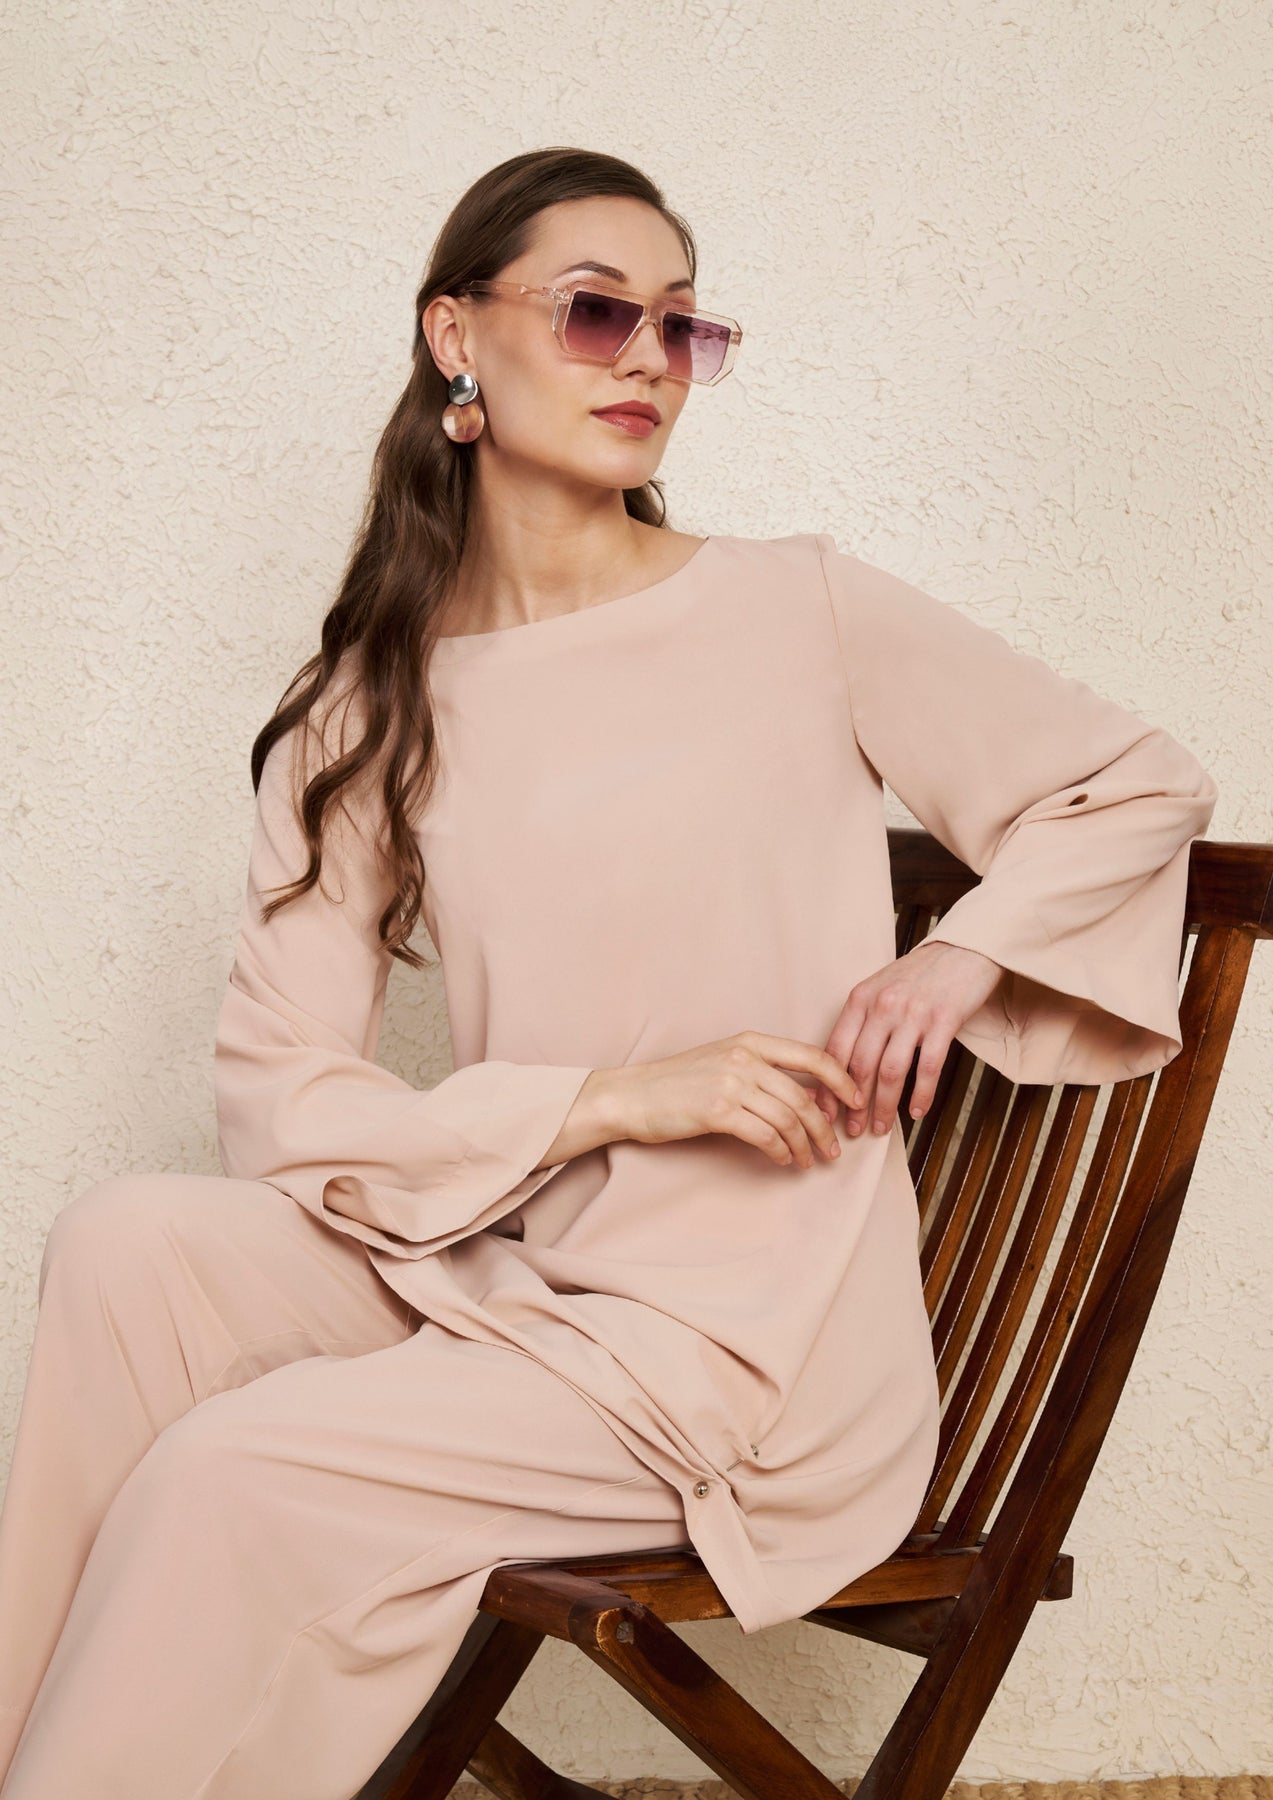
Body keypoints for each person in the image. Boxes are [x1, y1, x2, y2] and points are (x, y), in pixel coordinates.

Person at [0, 145, 1217, 1800]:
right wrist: (609, 1101)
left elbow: (1137, 783)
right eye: (593, 313)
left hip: (745, 1353)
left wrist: (954, 965)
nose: (647, 358)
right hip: (517, 1278)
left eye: (680, 325)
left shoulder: (799, 609)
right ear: (454, 337)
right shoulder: (372, 699)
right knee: (127, 1244)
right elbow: (280, 1098)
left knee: (237, 1470)